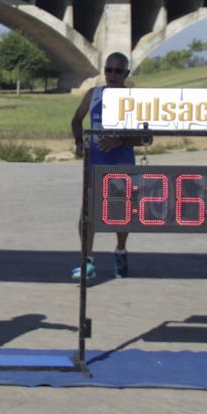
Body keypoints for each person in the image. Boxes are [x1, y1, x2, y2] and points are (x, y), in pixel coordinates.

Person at [70, 52, 147, 279]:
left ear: (127, 74)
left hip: (122, 164)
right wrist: (78, 141)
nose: (112, 75)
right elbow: (76, 120)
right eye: (109, 70)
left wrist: (120, 140)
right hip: (96, 164)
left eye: (118, 71)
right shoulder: (94, 94)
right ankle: (87, 260)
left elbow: (146, 138)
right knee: (89, 213)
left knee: (120, 214)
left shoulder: (134, 99)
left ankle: (120, 251)